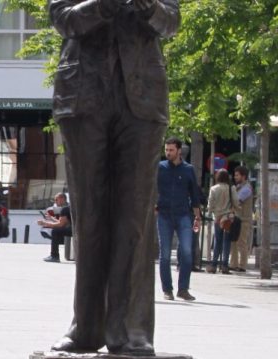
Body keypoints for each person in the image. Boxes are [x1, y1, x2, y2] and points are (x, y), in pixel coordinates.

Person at [48, 0, 180, 355]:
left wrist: (148, 6)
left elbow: (171, 21)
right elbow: (63, 18)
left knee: (134, 219)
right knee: (89, 217)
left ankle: (132, 329)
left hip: (143, 99)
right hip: (82, 96)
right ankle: (86, 327)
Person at [156, 138, 201, 301]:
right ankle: (167, 289)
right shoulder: (160, 168)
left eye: (171, 150)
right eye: (166, 150)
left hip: (183, 215)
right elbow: (151, 189)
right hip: (164, 215)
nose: (168, 153)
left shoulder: (188, 170)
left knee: (187, 252)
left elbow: (194, 195)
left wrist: (197, 216)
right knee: (165, 254)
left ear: (179, 151)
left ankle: (183, 289)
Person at [206, 169, 239, 274]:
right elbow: (236, 202)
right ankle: (225, 265)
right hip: (228, 218)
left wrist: (210, 213)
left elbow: (210, 204)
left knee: (217, 241)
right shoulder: (231, 188)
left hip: (217, 218)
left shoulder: (213, 189)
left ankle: (214, 265)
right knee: (227, 242)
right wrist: (236, 209)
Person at [230, 165, 253, 272]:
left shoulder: (246, 189)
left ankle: (242, 265)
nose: (235, 177)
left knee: (241, 242)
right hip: (236, 218)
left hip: (244, 220)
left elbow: (237, 201)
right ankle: (233, 264)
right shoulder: (239, 187)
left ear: (243, 176)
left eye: (237, 175)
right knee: (233, 242)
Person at [38, 193, 72, 262]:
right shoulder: (69, 208)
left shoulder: (65, 209)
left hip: (74, 230)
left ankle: (54, 256)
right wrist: (51, 218)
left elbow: (60, 225)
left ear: (62, 199)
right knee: (57, 230)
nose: (55, 202)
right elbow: (65, 223)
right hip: (77, 229)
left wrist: (45, 223)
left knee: (55, 231)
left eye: (56, 200)